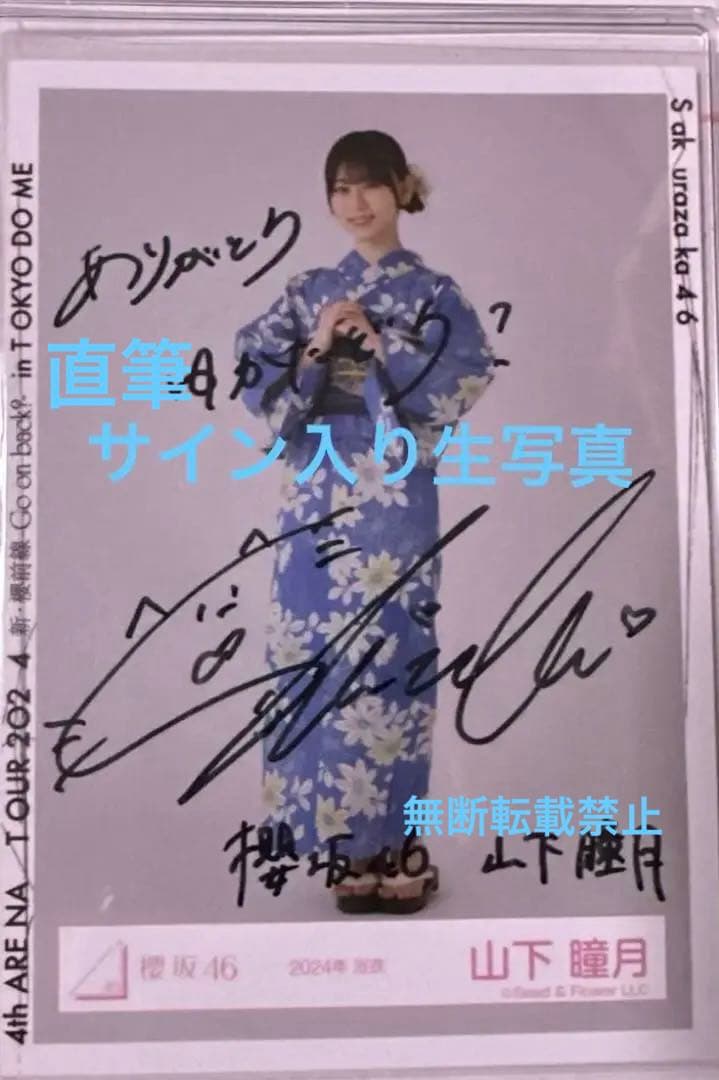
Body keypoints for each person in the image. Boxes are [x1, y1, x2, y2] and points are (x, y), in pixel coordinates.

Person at [234, 129, 496, 914]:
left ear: (400, 189)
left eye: (368, 185)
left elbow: (468, 372)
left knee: (393, 657)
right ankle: (345, 849)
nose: (354, 203)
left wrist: (384, 347)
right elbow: (252, 369)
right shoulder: (308, 290)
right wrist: (318, 346)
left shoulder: (434, 293)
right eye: (340, 189)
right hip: (316, 496)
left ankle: (398, 844)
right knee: (313, 655)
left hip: (394, 501)